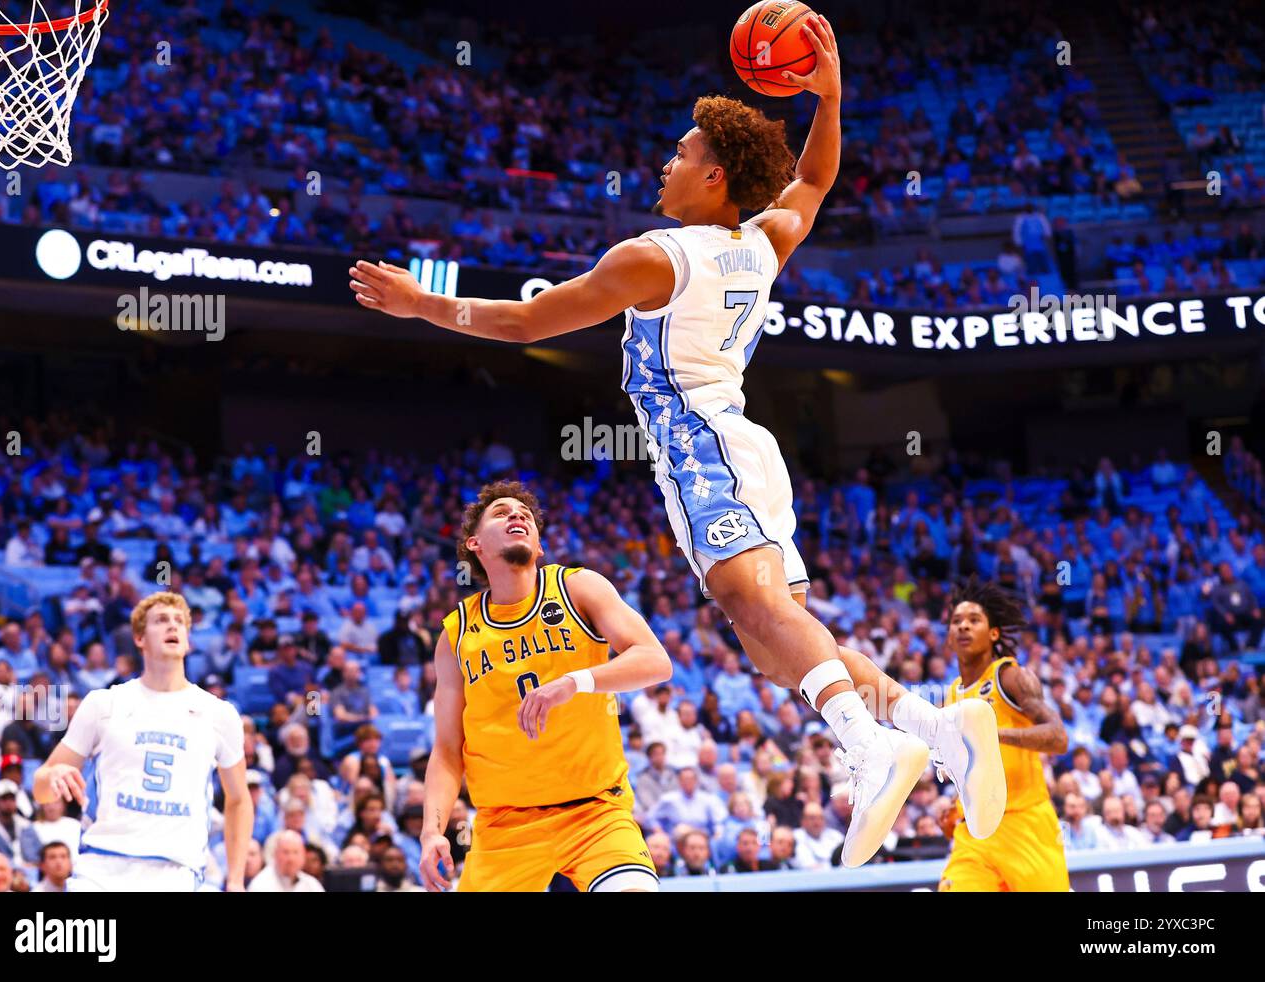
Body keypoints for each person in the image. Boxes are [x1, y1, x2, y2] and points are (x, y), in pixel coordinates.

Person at [351, 15, 1002, 868]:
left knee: (756, 608)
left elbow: (526, 319)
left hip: (700, 446)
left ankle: (867, 743)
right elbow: (813, 178)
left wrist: (423, 304)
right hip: (742, 444)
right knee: (776, 646)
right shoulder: (762, 239)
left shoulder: (653, 257)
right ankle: (931, 725)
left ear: (715, 176)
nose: (667, 163)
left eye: (681, 153)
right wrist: (831, 96)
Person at [418, 483, 671, 892]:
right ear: (475, 544)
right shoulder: (456, 635)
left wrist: (576, 681)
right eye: (501, 512)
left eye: (525, 515)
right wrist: (433, 831)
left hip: (596, 813)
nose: (517, 516)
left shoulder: (579, 587)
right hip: (505, 828)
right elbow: (447, 749)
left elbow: (655, 661)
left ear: (539, 547)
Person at [31, 591, 253, 891]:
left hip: (176, 871)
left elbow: (238, 799)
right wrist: (52, 775)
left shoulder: (219, 713)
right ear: (139, 638)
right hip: (102, 867)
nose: (172, 626)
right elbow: (41, 789)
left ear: (188, 641)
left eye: (179, 622)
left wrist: (237, 881)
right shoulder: (104, 703)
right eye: (161, 620)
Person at [938, 578, 1071, 892]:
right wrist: (957, 804)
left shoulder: (1010, 677)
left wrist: (992, 733)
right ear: (948, 637)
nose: (963, 627)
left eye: (974, 620)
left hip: (1025, 824)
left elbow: (1058, 737)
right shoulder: (952, 695)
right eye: (956, 622)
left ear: (994, 633)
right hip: (976, 833)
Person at [248, 830, 324, 892]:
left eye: (295, 852)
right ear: (275, 854)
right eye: (286, 852)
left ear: (303, 855)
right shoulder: (260, 884)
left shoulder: (311, 884)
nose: (291, 859)